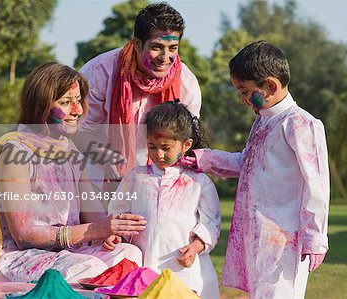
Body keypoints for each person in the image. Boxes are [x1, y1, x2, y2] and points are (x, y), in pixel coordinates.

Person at [0, 62, 146, 285]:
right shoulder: (13, 151)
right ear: (41, 106)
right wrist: (94, 230)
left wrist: (111, 230)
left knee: (128, 254)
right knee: (90, 268)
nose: (78, 110)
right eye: (66, 102)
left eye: (78, 101)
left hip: (65, 257)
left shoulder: (72, 153)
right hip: (18, 259)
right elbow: (23, 235)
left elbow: (95, 216)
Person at [185, 41, 330, 298]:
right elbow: (246, 164)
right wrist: (204, 159)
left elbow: (316, 185)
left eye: (245, 92)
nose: (243, 100)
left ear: (271, 86)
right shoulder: (262, 122)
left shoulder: (300, 124)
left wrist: (315, 238)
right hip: (256, 237)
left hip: (285, 241)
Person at [75, 2, 201, 194]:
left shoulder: (186, 82)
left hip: (160, 186)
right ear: (137, 44)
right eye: (157, 47)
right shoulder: (99, 73)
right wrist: (106, 158)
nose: (165, 57)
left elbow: (187, 140)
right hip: (98, 180)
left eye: (172, 48)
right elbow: (76, 132)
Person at [104, 101, 221, 299]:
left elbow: (211, 223)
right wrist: (117, 236)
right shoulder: (135, 177)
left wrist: (195, 247)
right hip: (143, 264)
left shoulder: (199, 182)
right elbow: (118, 212)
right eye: (152, 146)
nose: (159, 154)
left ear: (186, 145)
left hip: (184, 266)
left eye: (166, 147)